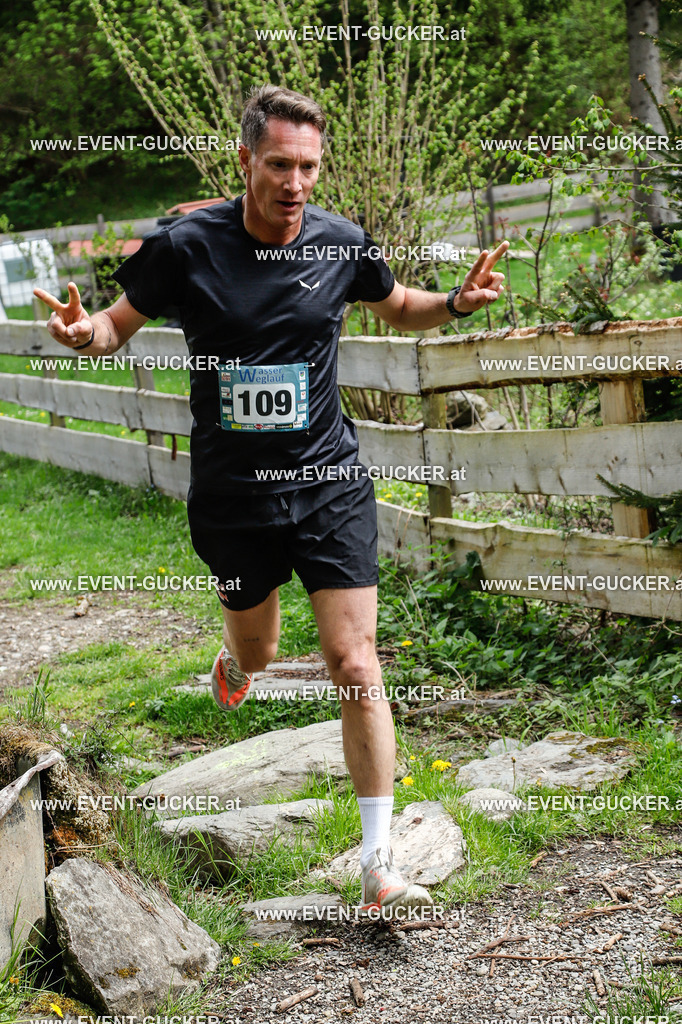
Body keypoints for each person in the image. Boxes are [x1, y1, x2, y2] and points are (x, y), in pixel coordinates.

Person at [35, 84, 507, 917]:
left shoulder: (339, 243)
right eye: (281, 164)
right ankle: (234, 663)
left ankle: (377, 863)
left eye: (310, 168)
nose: (296, 184)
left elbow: (399, 307)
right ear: (247, 161)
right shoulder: (185, 246)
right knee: (257, 655)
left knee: (354, 663)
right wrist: (83, 334)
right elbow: (114, 325)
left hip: (327, 481)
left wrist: (458, 303)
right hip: (234, 493)